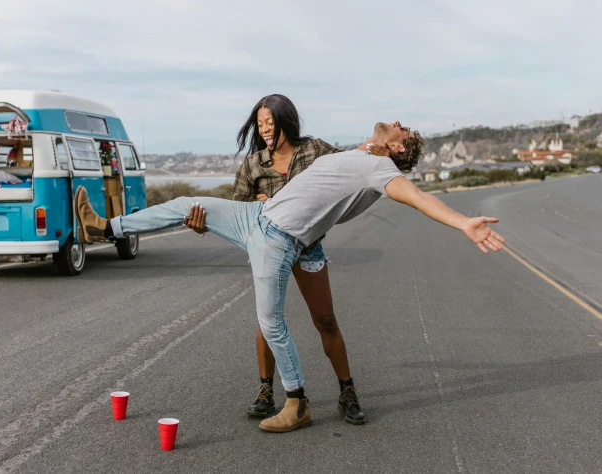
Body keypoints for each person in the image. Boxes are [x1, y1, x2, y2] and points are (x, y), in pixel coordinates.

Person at [75, 121, 505, 433]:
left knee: (274, 321)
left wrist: (464, 222)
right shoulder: (355, 154)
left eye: (402, 130)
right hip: (255, 216)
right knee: (185, 201)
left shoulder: (381, 170)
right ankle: (105, 228)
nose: (395, 123)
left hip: (280, 239)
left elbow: (418, 198)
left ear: (395, 150)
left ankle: (297, 402)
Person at [183, 94, 386, 424]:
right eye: (259, 123)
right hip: (270, 247)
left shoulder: (315, 150)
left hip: (308, 247)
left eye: (270, 122)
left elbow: (349, 169)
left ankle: (347, 391)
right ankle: (267, 390)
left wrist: (378, 153)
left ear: (285, 121)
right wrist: (201, 225)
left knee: (326, 320)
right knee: (268, 321)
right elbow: (239, 211)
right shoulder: (253, 164)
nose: (264, 129)